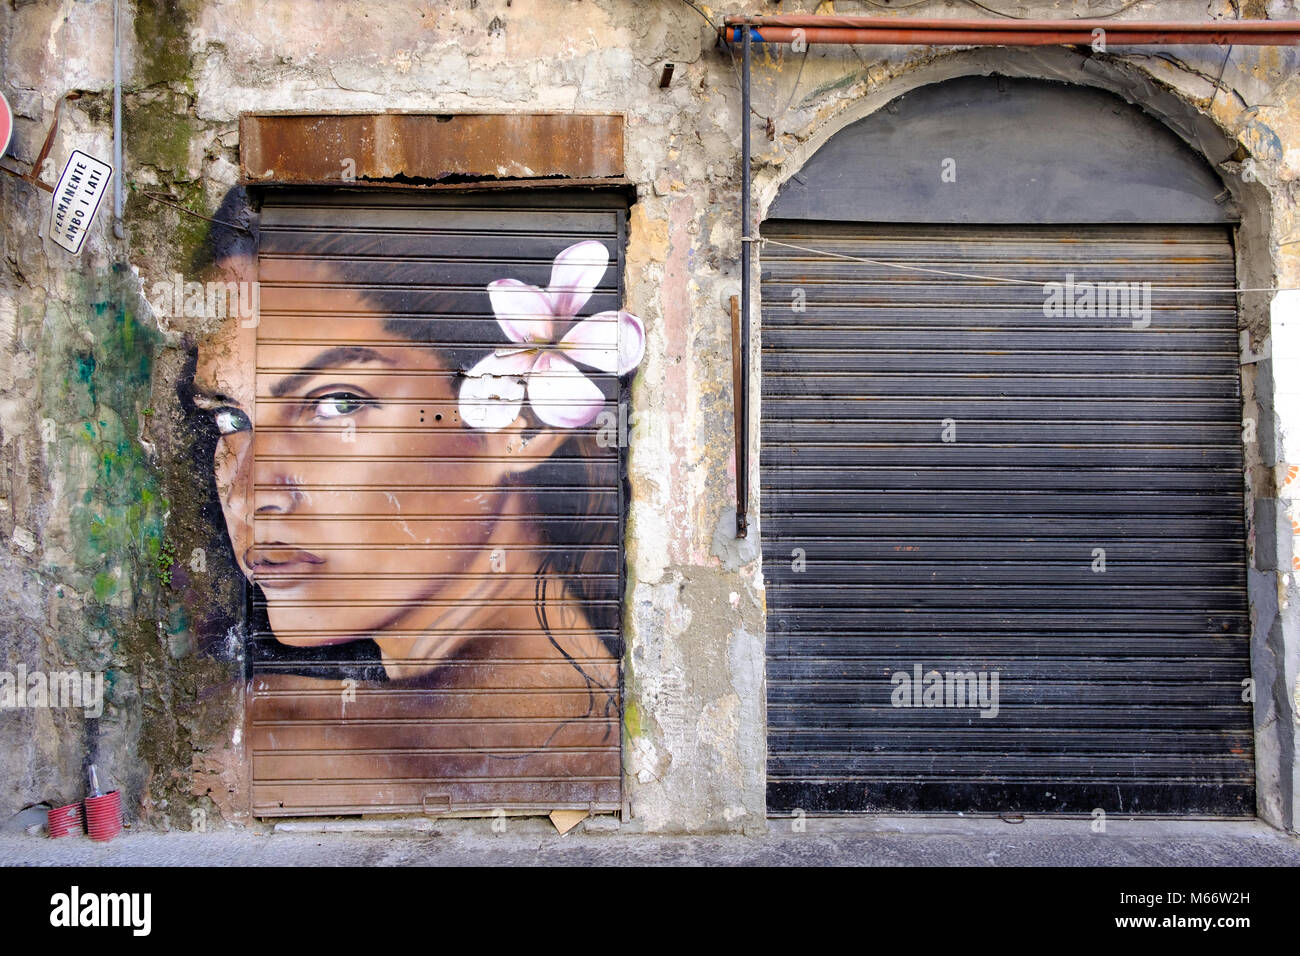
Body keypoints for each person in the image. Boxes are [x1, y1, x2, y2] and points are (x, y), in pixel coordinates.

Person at [185, 188, 641, 811]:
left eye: (337, 402)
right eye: (231, 422)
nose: (254, 493)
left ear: (521, 425)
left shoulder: (268, 745)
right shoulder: (633, 741)